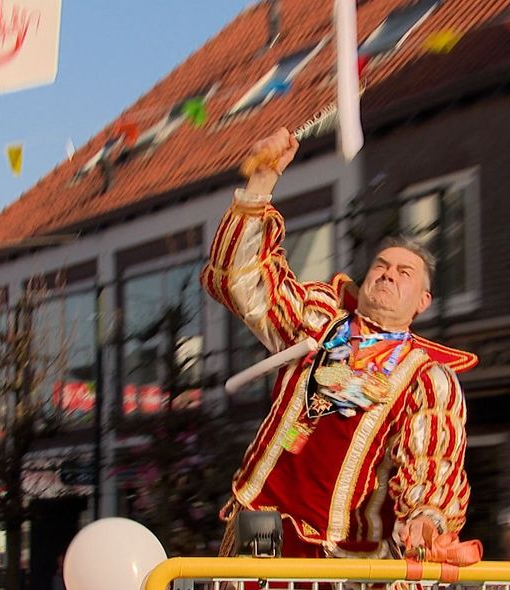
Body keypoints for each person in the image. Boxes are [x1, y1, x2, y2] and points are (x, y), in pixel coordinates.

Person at [204, 128, 479, 560]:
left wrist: (425, 519)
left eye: (404, 273)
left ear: (423, 302)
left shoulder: (427, 377)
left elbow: (431, 460)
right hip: (259, 538)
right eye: (381, 266)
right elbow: (243, 281)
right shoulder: (319, 319)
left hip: (343, 563)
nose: (388, 274)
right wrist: (261, 183)